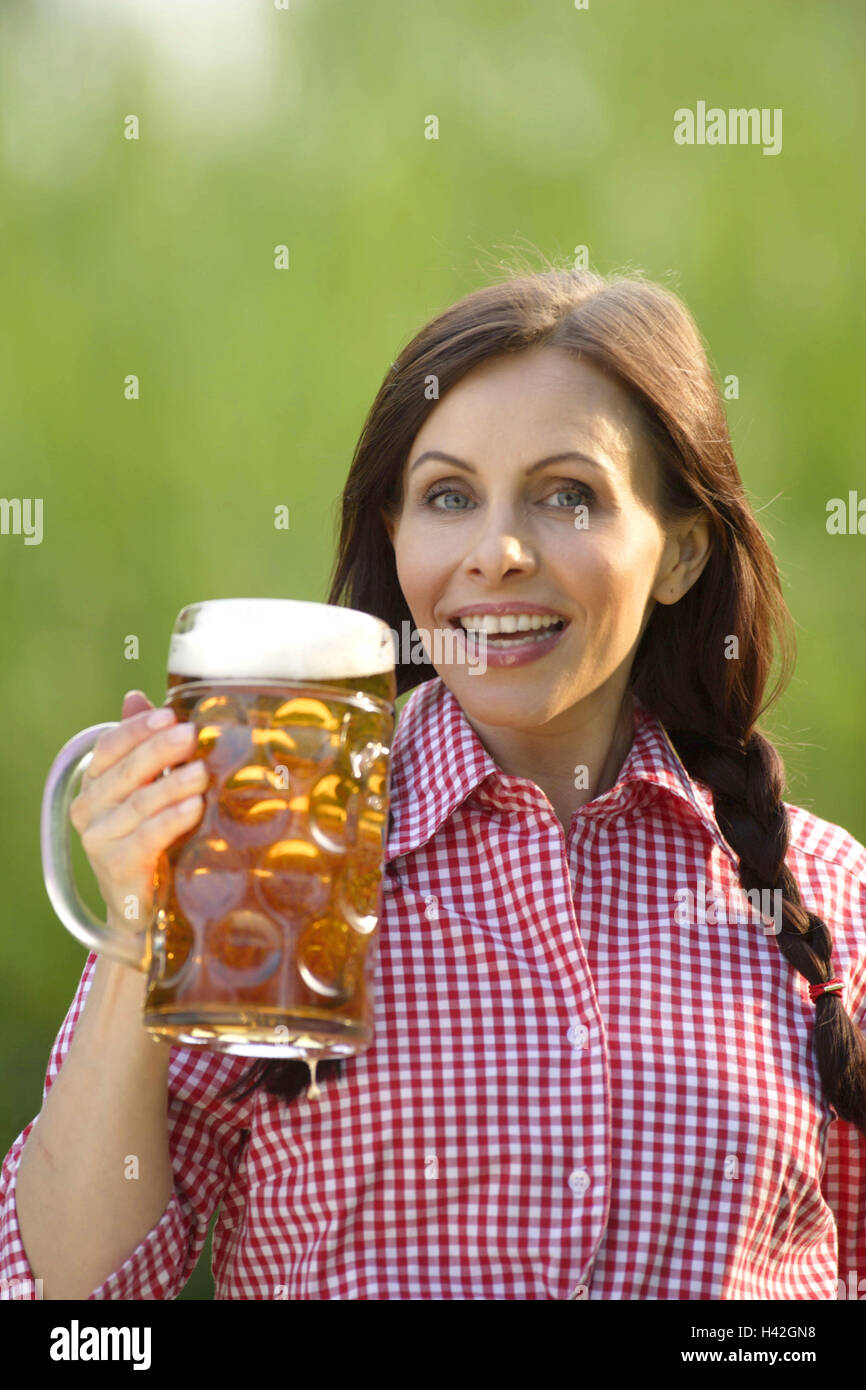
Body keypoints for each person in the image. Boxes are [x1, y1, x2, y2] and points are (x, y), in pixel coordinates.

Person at [2, 261, 865, 1301]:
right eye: (447, 496)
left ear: (679, 554)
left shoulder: (823, 897)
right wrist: (143, 924)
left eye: (566, 496)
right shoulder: (263, 860)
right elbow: (68, 1301)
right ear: (395, 536)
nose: (494, 552)